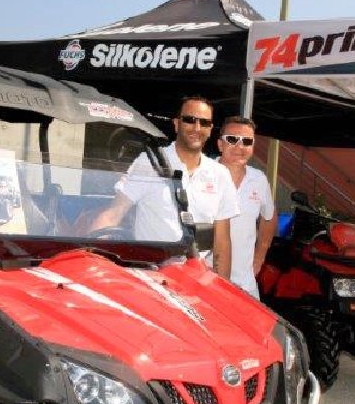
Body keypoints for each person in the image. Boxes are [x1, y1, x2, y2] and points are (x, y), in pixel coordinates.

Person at [89, 96, 238, 277]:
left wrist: (220, 289)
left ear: (210, 129)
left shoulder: (220, 174)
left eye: (204, 122)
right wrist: (89, 263)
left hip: (196, 279)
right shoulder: (150, 161)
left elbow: (222, 241)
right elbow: (113, 214)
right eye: (190, 120)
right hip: (153, 277)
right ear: (176, 124)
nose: (197, 128)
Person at [217, 116, 277, 298]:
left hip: (245, 283)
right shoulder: (203, 174)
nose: (240, 146)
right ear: (220, 144)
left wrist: (260, 256)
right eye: (232, 139)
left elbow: (269, 216)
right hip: (207, 280)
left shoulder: (259, 179)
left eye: (247, 141)